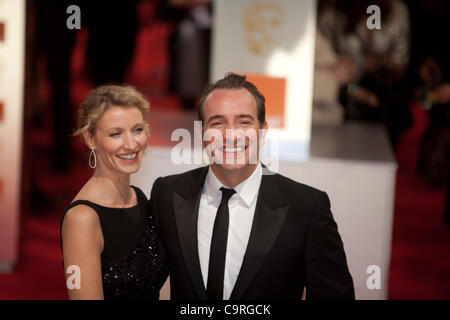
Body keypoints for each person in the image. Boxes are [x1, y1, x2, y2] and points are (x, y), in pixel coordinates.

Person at [149, 73, 355, 300]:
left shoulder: (306, 208)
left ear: (263, 131)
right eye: (217, 122)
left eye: (244, 122)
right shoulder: (167, 194)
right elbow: (143, 285)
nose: (231, 135)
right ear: (200, 133)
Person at [60, 85, 168, 299]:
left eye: (137, 129)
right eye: (116, 133)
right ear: (91, 139)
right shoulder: (81, 219)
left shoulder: (140, 198)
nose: (131, 144)